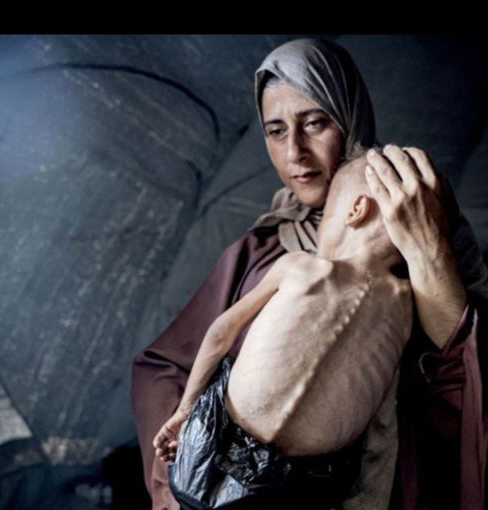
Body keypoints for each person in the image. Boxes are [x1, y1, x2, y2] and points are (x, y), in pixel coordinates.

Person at [132, 38, 488, 510]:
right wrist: (180, 481)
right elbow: (163, 366)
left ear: (349, 118)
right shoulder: (261, 250)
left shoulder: (420, 255)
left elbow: (468, 385)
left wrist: (429, 251)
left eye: (314, 123)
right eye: (276, 131)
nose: (296, 153)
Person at [153, 153, 415, 509]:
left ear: (355, 211)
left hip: (233, 455)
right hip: (269, 467)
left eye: (326, 218)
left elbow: (220, 334)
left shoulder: (301, 266)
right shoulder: (403, 306)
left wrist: (185, 409)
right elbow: (384, 421)